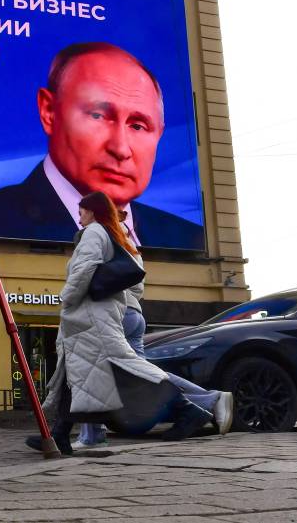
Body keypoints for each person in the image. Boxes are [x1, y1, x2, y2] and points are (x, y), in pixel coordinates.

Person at [0, 42, 204, 250]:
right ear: (49, 111)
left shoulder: (186, 238)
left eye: (138, 125)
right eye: (98, 115)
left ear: (160, 135)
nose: (120, 148)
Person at [27, 191, 213, 455]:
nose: (79, 217)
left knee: (128, 369)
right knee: (77, 374)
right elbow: (135, 285)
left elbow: (83, 270)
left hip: (91, 316)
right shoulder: (121, 237)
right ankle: (60, 435)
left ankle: (189, 410)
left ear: (92, 211)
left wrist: (67, 298)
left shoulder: (93, 232)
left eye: (81, 211)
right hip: (103, 314)